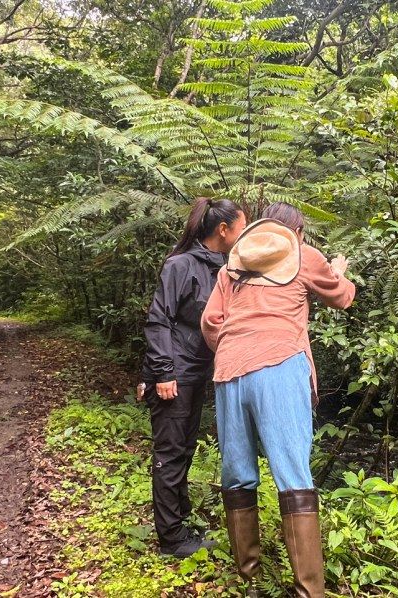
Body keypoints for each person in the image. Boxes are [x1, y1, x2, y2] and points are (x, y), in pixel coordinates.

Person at [201, 202, 355, 597]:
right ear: (297, 232)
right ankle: (309, 591)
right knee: (293, 477)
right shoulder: (303, 255)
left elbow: (210, 323)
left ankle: (250, 582)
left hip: (229, 369)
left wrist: (238, 346)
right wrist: (340, 270)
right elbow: (341, 297)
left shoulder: (232, 265)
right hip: (280, 367)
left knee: (237, 473)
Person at [141, 197, 246, 558]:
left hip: (197, 371)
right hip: (175, 374)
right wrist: (162, 373)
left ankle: (180, 524)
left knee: (184, 449)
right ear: (223, 229)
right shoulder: (181, 265)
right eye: (241, 226)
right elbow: (159, 320)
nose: (243, 233)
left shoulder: (223, 268)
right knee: (170, 454)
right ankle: (171, 540)